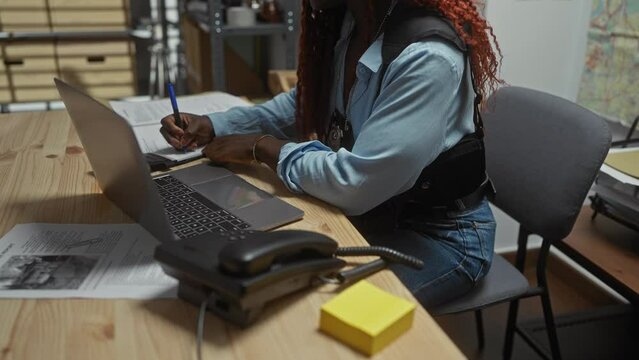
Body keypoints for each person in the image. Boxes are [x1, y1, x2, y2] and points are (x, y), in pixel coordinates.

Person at [160, 0, 503, 309]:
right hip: (376, 214)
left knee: (315, 310)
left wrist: (263, 146)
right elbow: (308, 101)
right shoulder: (355, 21)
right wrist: (216, 125)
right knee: (251, 268)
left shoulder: (429, 56)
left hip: (441, 237)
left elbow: (357, 184)